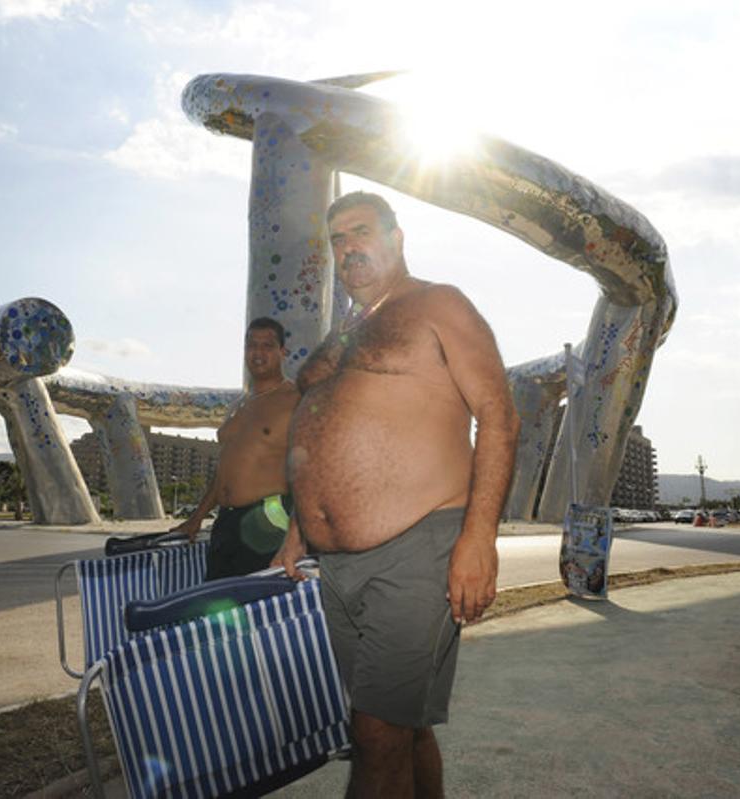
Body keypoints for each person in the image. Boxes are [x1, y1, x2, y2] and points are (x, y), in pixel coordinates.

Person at [272, 192, 520, 797]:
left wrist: (479, 539)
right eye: (337, 239)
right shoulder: (344, 334)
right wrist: (298, 531)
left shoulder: (437, 304)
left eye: (360, 231)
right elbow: (318, 436)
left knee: (376, 735)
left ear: (396, 236)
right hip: (332, 565)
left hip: (420, 546)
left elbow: (498, 414)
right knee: (398, 730)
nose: (348, 246)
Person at [174, 317, 299, 579]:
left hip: (268, 518)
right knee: (221, 610)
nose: (258, 352)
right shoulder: (239, 405)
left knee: (258, 611)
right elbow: (225, 469)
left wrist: (296, 538)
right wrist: (197, 517)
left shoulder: (294, 400)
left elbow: (310, 473)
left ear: (282, 352)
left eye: (267, 345)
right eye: (252, 345)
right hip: (226, 522)